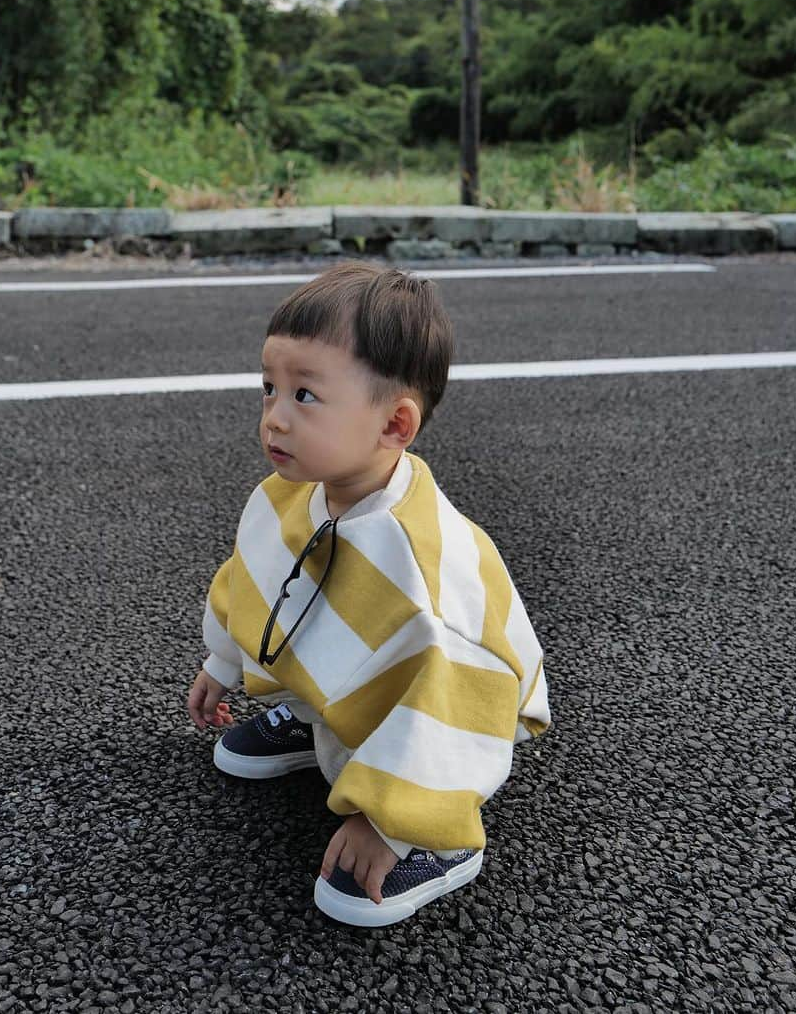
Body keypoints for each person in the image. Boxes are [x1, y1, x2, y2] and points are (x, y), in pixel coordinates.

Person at [186, 261, 551, 926]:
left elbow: (461, 695)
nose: (274, 417)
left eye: (305, 395)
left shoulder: (425, 569)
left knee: (415, 682)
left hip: (460, 713)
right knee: (316, 589)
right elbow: (257, 575)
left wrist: (388, 818)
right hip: (395, 687)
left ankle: (433, 832)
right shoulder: (295, 489)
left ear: (394, 426)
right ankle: (316, 710)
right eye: (269, 387)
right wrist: (224, 660)